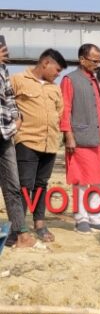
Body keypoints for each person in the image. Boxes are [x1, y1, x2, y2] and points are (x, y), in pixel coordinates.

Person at [10, 48, 66, 244]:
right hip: (26, 141)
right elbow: (6, 104)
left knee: (41, 185)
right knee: (24, 186)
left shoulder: (55, 88)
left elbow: (60, 111)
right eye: (57, 70)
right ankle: (19, 228)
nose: (58, 74)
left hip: (50, 144)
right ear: (45, 63)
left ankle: (40, 224)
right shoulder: (17, 80)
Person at [60, 43, 100, 235]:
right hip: (80, 138)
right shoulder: (70, 79)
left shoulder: (94, 79)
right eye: (94, 60)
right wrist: (69, 136)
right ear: (82, 60)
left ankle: (96, 218)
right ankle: (81, 219)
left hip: (98, 139)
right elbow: (65, 109)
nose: (98, 64)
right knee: (81, 180)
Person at [0, 42, 36, 248]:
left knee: (13, 185)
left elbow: (9, 97)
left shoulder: (3, 70)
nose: (6, 54)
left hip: (5, 133)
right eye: (3, 50)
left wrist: (17, 118)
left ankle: (20, 232)